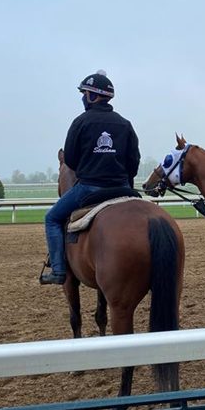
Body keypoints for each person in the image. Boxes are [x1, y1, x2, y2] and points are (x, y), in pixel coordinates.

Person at [40, 70, 140, 285]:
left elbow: (71, 160)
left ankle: (58, 270)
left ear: (92, 96)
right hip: (122, 188)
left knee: (52, 218)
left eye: (85, 93)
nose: (83, 97)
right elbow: (133, 162)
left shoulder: (80, 122)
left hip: (89, 188)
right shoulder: (125, 124)